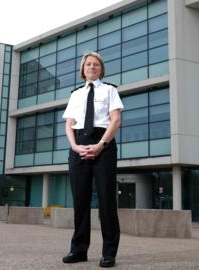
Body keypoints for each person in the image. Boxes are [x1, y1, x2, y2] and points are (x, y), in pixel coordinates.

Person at [62, 51, 124, 268]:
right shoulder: (75, 94)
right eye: (88, 64)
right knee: (80, 200)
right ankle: (78, 250)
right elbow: (69, 124)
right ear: (83, 69)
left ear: (101, 69)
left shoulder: (110, 90)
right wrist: (74, 146)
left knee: (107, 200)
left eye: (96, 64)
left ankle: (109, 253)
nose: (92, 67)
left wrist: (101, 145)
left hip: (103, 144)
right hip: (78, 144)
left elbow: (115, 120)